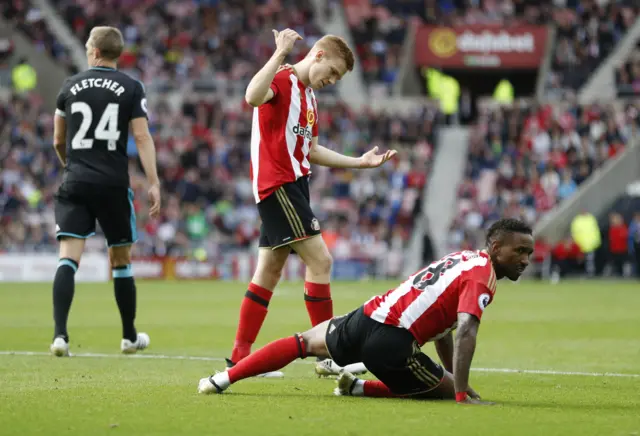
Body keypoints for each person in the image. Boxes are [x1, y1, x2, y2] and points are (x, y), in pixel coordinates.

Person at [199, 218, 534, 405]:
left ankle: (222, 378)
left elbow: (445, 329)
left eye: (529, 253)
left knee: (304, 342)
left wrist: (452, 373)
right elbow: (465, 330)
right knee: (440, 391)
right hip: (393, 342)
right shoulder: (483, 276)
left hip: (369, 315)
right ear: (495, 247)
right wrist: (459, 390)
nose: (525, 260)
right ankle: (362, 387)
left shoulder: (463, 259)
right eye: (519, 250)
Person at [226, 29, 396, 376]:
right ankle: (330, 353)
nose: (331, 81)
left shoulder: (310, 99)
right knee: (321, 261)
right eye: (331, 72)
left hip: (296, 186)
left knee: (269, 270)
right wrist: (279, 54)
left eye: (336, 78)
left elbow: (312, 150)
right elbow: (252, 96)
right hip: (279, 185)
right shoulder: (285, 78)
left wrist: (359, 162)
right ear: (317, 55)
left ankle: (240, 355)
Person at [50, 26, 161, 357]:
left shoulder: (69, 86)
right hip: (113, 183)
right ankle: (128, 336)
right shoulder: (131, 87)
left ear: (96, 51)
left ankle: (60, 336)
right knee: (121, 259)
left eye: (87, 45)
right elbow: (141, 137)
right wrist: (153, 181)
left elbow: (58, 140)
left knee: (68, 258)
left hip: (76, 179)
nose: (85, 48)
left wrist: (70, 166)